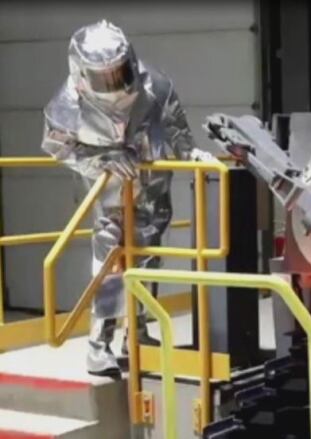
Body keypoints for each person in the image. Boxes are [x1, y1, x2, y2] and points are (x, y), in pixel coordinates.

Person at [41, 20, 216, 376]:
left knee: (149, 260)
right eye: (103, 76)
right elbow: (57, 147)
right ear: (81, 73)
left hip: (153, 187)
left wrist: (193, 155)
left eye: (119, 72)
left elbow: (176, 126)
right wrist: (102, 159)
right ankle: (98, 344)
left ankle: (135, 333)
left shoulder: (155, 85)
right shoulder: (69, 102)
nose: (114, 83)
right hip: (108, 193)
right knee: (111, 266)